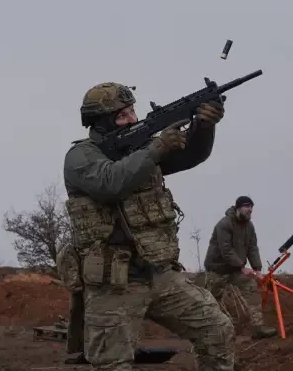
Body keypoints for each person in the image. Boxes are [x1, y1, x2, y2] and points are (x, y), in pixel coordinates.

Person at [57, 81, 236, 371]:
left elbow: (191, 156)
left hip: (159, 275)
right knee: (112, 364)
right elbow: (110, 183)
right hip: (113, 284)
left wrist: (204, 126)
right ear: (101, 121)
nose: (132, 119)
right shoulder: (80, 157)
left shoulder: (141, 149)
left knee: (217, 330)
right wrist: (157, 147)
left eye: (132, 111)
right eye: (123, 114)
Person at [203, 196, 278, 339]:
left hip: (235, 269)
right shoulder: (224, 224)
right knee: (211, 300)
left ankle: (258, 328)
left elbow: (252, 247)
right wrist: (242, 267)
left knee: (251, 289)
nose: (250, 209)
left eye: (251, 207)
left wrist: (257, 269)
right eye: (246, 206)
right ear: (238, 208)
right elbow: (226, 250)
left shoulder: (249, 226)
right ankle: (208, 333)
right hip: (217, 269)